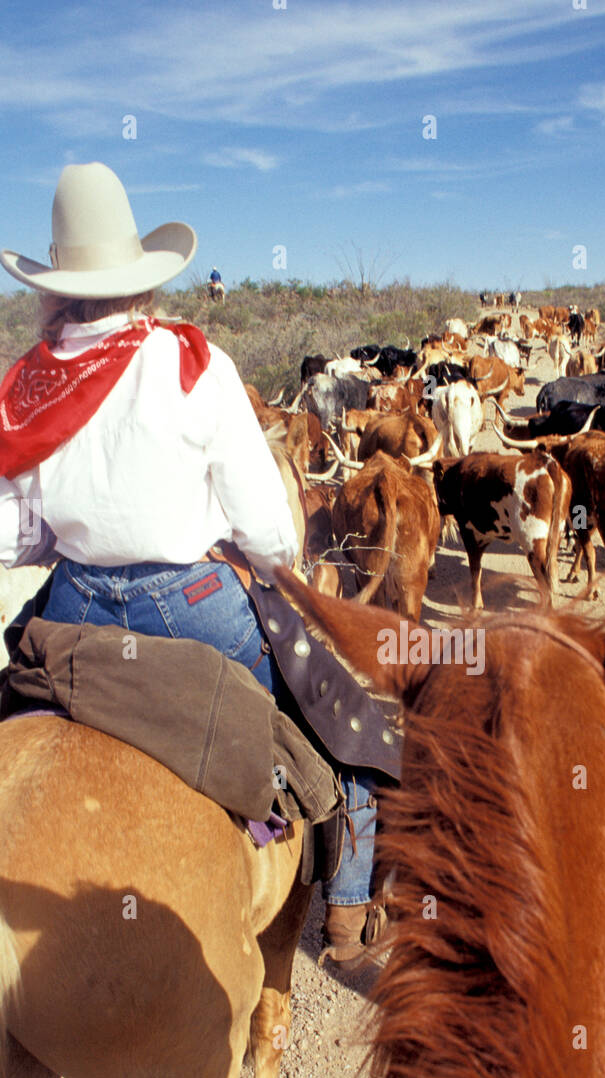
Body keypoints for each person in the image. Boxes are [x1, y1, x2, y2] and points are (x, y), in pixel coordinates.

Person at [0, 161, 389, 965]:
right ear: (140, 278)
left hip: (73, 606)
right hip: (194, 602)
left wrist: (83, 522)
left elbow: (17, 539)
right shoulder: (192, 364)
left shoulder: (26, 386)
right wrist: (275, 566)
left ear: (56, 285)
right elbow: (269, 536)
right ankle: (347, 910)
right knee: (335, 720)